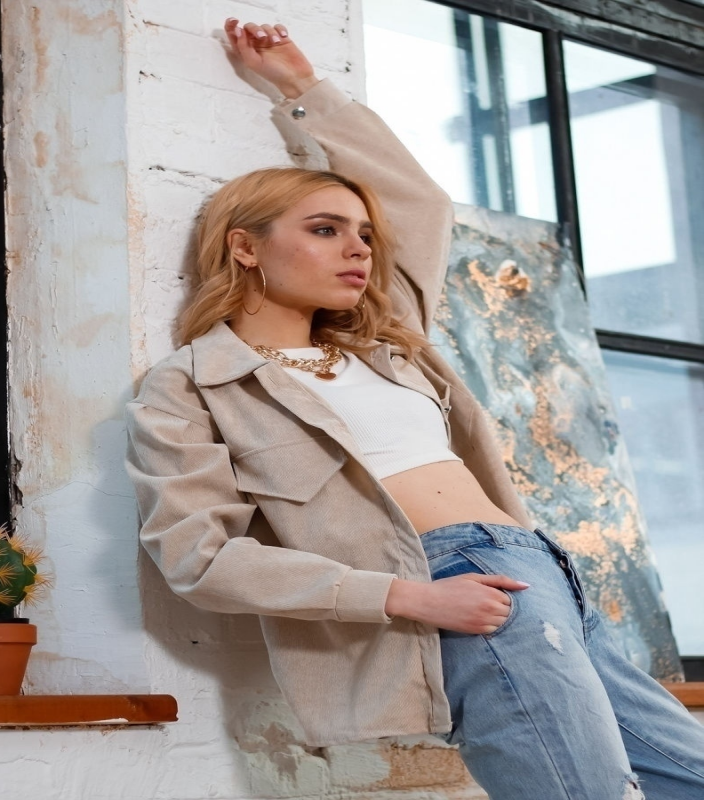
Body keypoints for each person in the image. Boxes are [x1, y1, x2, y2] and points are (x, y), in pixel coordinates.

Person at [125, 18, 704, 800]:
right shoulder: (193, 386)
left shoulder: (385, 343)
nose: (359, 249)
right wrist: (407, 597)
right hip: (452, 584)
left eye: (364, 234)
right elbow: (199, 558)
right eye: (325, 230)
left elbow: (420, 203)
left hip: (542, 572)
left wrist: (301, 87)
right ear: (244, 246)